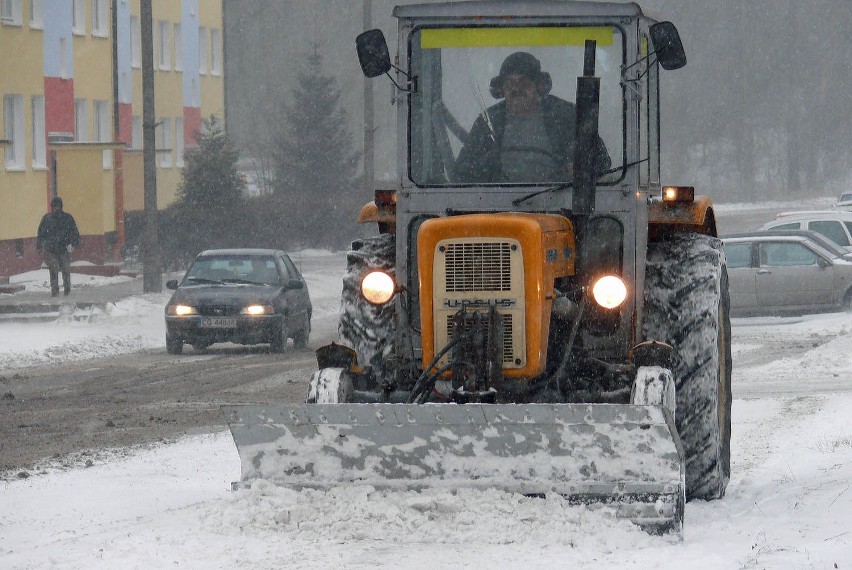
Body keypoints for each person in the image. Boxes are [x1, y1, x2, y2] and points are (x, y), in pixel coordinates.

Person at [454, 51, 611, 183]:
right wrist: (487, 167)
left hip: (558, 203)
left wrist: (578, 169)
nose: (516, 89)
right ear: (500, 89)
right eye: (509, 84)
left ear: (539, 85)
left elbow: (601, 161)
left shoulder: (566, 116)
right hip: (499, 208)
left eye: (524, 83)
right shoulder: (488, 122)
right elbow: (463, 171)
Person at [36, 196, 80, 297]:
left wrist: (74, 243)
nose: (56, 208)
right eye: (54, 206)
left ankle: (67, 289)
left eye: (58, 206)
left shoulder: (67, 218)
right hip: (51, 249)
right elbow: (41, 232)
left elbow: (74, 231)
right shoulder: (47, 218)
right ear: (52, 207)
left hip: (63, 248)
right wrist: (39, 245)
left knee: (65, 269)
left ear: (61, 206)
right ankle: (54, 290)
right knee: (53, 270)